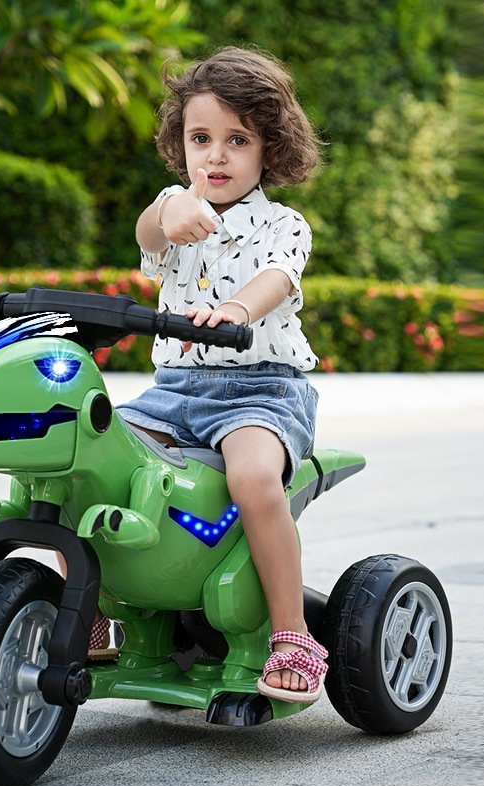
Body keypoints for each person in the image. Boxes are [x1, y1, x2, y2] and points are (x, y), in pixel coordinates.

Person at [99, 45, 327, 702]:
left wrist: (234, 310)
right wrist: (164, 214)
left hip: (261, 390)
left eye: (238, 140)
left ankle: (292, 633)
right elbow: (148, 235)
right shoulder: (177, 209)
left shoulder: (285, 225)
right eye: (201, 138)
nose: (216, 156)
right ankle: (89, 612)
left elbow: (276, 278)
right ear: (182, 143)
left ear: (269, 149)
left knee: (253, 478)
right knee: (85, 454)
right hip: (173, 393)